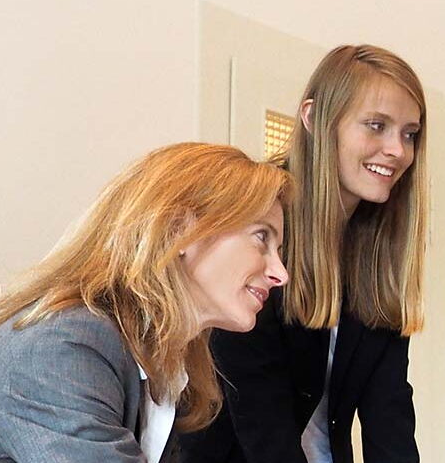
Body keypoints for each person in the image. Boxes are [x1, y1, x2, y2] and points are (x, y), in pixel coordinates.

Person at [0, 143, 293, 462]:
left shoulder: (161, 361)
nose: (280, 273)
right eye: (261, 237)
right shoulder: (65, 345)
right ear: (180, 230)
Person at [179, 44, 431, 463]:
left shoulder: (378, 252)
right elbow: (259, 415)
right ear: (314, 118)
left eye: (409, 134)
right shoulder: (255, 231)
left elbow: (390, 417)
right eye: (376, 125)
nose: (398, 150)